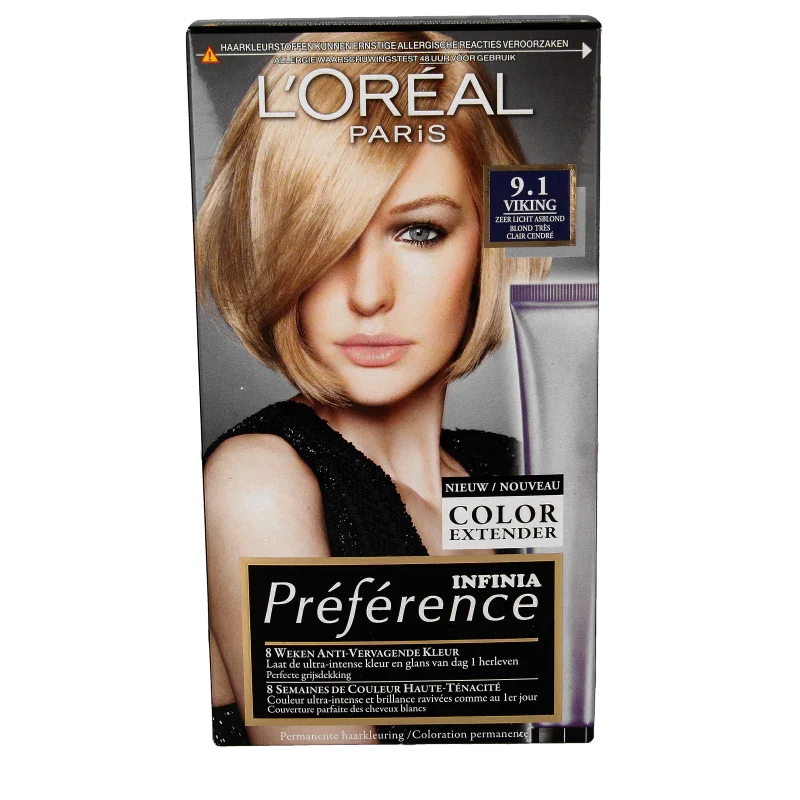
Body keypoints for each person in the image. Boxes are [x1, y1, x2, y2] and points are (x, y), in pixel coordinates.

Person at [195, 29, 550, 746]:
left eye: (419, 232)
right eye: (324, 239)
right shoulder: (259, 480)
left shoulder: (512, 466)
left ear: (491, 240)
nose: (367, 294)